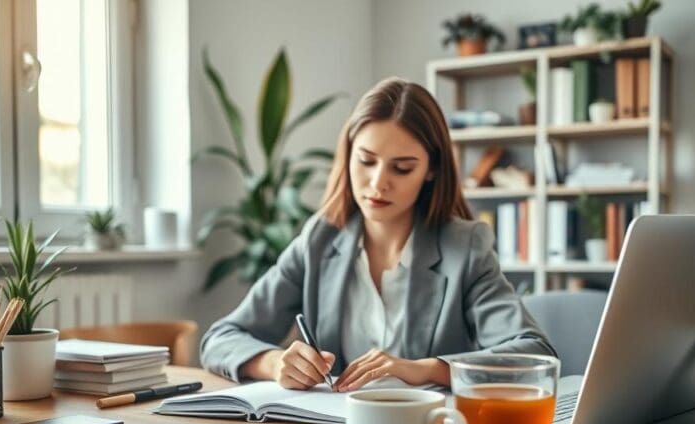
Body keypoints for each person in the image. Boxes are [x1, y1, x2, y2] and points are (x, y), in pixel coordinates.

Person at [201, 77, 555, 391]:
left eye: (402, 168)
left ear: (431, 170)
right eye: (366, 161)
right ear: (348, 154)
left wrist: (422, 370)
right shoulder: (319, 240)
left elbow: (535, 354)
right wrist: (275, 363)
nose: (377, 183)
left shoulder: (465, 247)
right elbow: (220, 338)